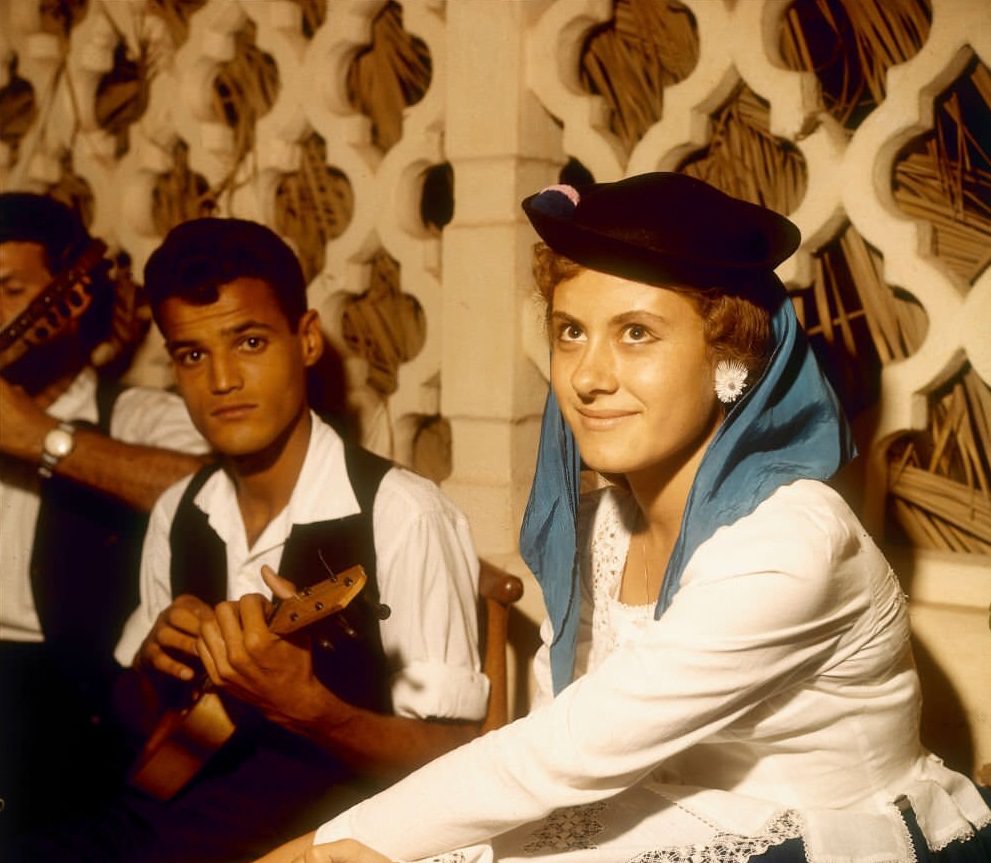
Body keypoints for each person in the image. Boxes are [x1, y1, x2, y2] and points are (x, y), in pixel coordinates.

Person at [257, 173, 991, 863]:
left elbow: (568, 751)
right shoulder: (609, 518)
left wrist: (328, 845)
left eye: (636, 333)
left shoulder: (791, 542)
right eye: (571, 331)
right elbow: (556, 725)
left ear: (729, 357)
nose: (585, 376)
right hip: (664, 802)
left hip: (831, 835)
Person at [12, 216, 489, 863]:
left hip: (310, 846)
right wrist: (155, 666)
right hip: (153, 832)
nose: (223, 379)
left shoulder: (402, 514)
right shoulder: (179, 510)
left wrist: (310, 708)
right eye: (191, 354)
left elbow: (458, 760)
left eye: (250, 341)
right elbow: (135, 729)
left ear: (308, 340)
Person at [0, 193, 209, 839]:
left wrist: (40, 438)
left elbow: (211, 492)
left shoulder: (140, 417)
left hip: (72, 707)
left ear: (71, 300)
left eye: (8, 289)